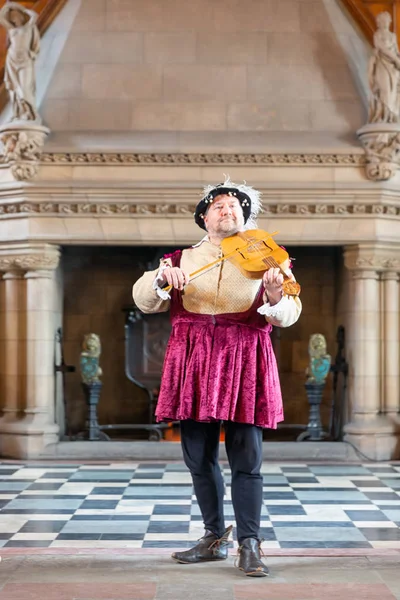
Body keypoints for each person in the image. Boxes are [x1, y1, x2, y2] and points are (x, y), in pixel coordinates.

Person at [132, 177, 302, 577]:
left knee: (247, 457)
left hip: (244, 357)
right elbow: (143, 299)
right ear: (204, 217)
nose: (229, 211)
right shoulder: (178, 258)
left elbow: (291, 312)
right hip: (193, 357)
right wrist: (160, 280)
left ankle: (250, 543)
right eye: (220, 206)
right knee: (198, 456)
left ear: (246, 217)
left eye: (236, 207)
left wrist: (276, 297)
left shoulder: (267, 259)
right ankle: (212, 538)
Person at [0, 2, 40, 122]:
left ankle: (30, 113)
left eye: (15, 15)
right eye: (11, 17)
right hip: (12, 60)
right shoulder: (11, 29)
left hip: (25, 60)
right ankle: (19, 113)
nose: (13, 18)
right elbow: (1, 17)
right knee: (15, 89)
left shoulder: (28, 27)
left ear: (20, 16)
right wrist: (8, 6)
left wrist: (22, 9)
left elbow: (34, 16)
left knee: (25, 87)